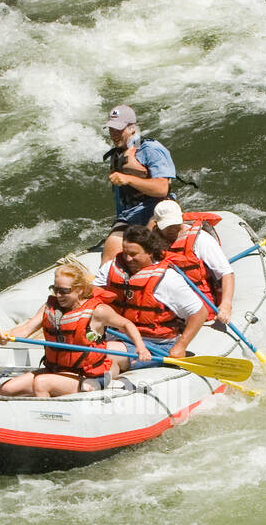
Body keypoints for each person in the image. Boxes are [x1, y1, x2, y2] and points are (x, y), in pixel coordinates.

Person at [0, 256, 152, 398]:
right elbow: (27, 328)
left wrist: (140, 347)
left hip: (87, 375)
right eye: (55, 289)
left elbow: (126, 324)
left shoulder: (98, 311)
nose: (58, 295)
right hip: (56, 369)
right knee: (7, 389)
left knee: (41, 383)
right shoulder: (49, 308)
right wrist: (7, 336)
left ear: (80, 290)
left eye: (64, 291)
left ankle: (49, 419)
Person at [92, 226, 211, 368]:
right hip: (118, 334)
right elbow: (94, 295)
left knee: (102, 353)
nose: (128, 259)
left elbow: (199, 313)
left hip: (155, 344)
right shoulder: (112, 268)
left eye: (134, 254)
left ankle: (97, 384)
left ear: (149, 252)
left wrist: (181, 346)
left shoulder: (167, 280)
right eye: (125, 253)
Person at [101, 103, 176, 263]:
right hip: (130, 215)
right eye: (111, 129)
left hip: (156, 209)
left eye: (118, 129)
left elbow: (162, 189)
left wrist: (128, 178)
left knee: (145, 249)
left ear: (132, 128)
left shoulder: (151, 149)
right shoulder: (118, 154)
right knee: (111, 251)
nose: (114, 134)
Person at [151, 200, 235, 325]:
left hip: (196, 295)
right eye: (166, 226)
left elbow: (226, 273)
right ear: (157, 224)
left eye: (174, 224)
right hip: (167, 296)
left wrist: (226, 304)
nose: (171, 228)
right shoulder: (151, 241)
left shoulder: (200, 239)